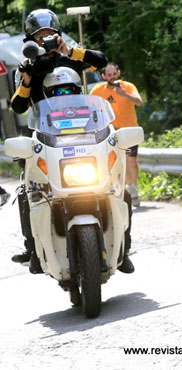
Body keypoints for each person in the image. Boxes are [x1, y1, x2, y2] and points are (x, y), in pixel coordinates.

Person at [10, 8, 108, 272]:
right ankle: (32, 247)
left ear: (59, 35)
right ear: (31, 41)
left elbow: (102, 61)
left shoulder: (72, 57)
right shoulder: (28, 68)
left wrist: (70, 51)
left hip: (84, 134)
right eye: (40, 37)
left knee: (113, 176)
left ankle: (123, 240)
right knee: (26, 189)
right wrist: (27, 80)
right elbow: (18, 107)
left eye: (51, 35)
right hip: (45, 138)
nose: (46, 41)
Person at [90, 62, 143, 207]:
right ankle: (124, 188)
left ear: (118, 73)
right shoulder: (97, 90)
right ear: (103, 76)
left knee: (131, 161)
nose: (112, 77)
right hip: (110, 132)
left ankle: (133, 186)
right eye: (109, 75)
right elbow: (89, 107)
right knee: (117, 160)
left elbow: (139, 102)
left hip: (129, 130)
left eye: (114, 74)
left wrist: (125, 95)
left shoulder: (128, 86)